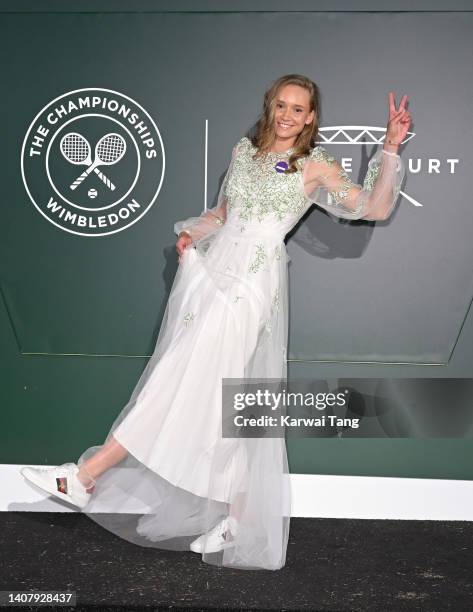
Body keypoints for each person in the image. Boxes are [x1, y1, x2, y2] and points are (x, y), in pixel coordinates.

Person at [21, 74, 410, 571]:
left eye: (299, 109)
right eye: (282, 105)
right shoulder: (242, 152)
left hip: (252, 285)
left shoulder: (314, 166)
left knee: (177, 379)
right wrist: (192, 235)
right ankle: (241, 515)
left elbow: (372, 207)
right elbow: (223, 215)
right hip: (214, 276)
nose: (288, 115)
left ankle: (87, 474)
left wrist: (391, 147)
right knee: (216, 398)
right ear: (271, 106)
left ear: (311, 117)